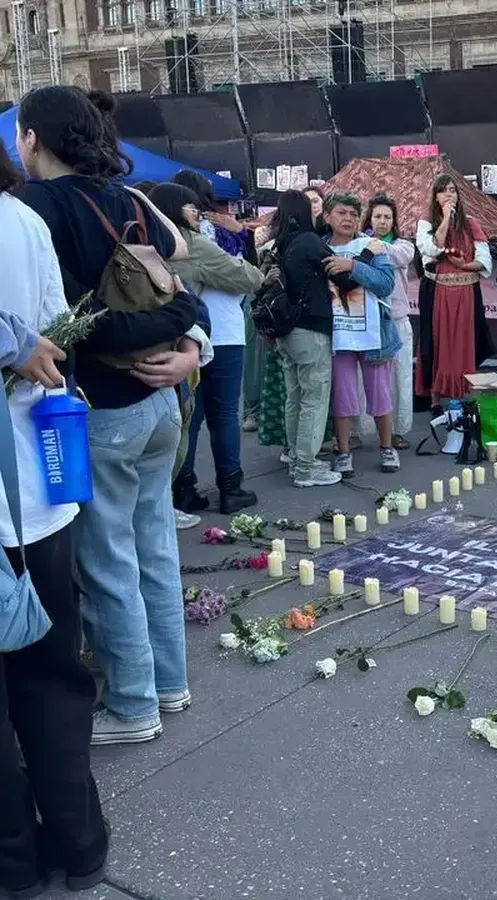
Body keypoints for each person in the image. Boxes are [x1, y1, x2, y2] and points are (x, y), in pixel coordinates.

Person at [16, 85, 207, 747]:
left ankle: (132, 704)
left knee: (105, 560)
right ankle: (169, 684)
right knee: (153, 547)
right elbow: (180, 267)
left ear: (33, 138)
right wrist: (186, 336)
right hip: (160, 403)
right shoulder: (127, 200)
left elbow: (61, 325)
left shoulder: (29, 207)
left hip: (99, 407)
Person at [0, 154, 110, 896]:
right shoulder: (22, 220)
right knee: (54, 674)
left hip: (28, 492)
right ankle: (78, 841)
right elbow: (53, 337)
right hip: (35, 489)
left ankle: (13, 860)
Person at [152, 182, 264, 514]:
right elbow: (248, 277)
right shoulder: (191, 243)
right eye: (193, 208)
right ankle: (231, 487)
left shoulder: (149, 242)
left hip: (176, 339)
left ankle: (183, 489)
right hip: (219, 337)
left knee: (190, 417)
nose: (198, 215)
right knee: (224, 415)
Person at [272, 189, 355, 487]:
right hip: (311, 329)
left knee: (294, 396)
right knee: (315, 399)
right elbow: (344, 277)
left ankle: (296, 458)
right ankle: (307, 467)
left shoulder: (281, 244)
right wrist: (364, 258)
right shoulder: (309, 241)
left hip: (286, 331)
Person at [322, 192, 398, 478]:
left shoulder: (372, 245)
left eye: (354, 214)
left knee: (379, 393)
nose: (348, 218)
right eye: (342, 213)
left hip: (373, 333)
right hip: (337, 334)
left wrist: (353, 266)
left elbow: (386, 283)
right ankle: (343, 452)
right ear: (328, 216)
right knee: (342, 396)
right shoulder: (319, 247)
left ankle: (387, 448)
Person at [415, 174, 493, 404]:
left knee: (463, 344)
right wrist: (446, 219)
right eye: (443, 191)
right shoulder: (426, 222)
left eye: (452, 190)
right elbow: (431, 248)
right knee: (439, 343)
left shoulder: (471, 223)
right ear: (435, 196)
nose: (449, 194)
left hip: (466, 295)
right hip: (438, 293)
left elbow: (485, 259)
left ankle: (463, 395)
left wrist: (465, 265)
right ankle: (436, 398)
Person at [360, 193, 415, 449]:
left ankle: (397, 430)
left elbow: (393, 255)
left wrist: (370, 245)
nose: (382, 221)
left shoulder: (404, 246)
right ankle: (358, 430)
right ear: (369, 218)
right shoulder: (358, 244)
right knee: (362, 379)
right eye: (378, 216)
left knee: (400, 377)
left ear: (394, 222)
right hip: (367, 321)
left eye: (387, 217)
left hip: (397, 320)